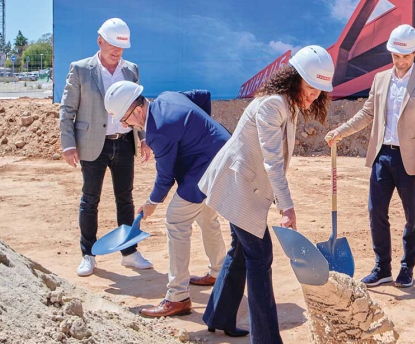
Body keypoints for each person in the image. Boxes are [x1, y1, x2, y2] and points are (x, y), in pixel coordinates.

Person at [199, 45, 334, 343]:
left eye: (320, 91)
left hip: (245, 185)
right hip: (237, 186)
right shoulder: (273, 105)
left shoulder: (289, 104)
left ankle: (218, 316)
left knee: (240, 251)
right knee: (260, 257)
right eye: (311, 87)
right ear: (295, 78)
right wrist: (286, 207)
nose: (313, 95)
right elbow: (272, 160)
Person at [102, 82, 232, 322]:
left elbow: (165, 177)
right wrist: (202, 134)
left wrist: (151, 202)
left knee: (176, 221)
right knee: (205, 215)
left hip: (207, 168)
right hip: (224, 154)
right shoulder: (167, 97)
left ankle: (177, 297)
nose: (124, 125)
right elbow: (202, 95)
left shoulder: (158, 131)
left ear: (138, 111)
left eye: (124, 119)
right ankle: (218, 271)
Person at [325, 25, 415, 288]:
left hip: (410, 160)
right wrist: (340, 132)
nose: (400, 62)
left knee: (413, 216)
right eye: (396, 56)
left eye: (406, 56)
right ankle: (382, 268)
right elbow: (368, 113)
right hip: (382, 156)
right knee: (376, 211)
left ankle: (406, 268)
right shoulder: (380, 80)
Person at [59, 18, 153, 277]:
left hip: (124, 143)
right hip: (92, 145)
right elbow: (67, 110)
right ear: (100, 40)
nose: (117, 51)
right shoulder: (80, 70)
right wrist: (68, 145)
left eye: (121, 47)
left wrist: (144, 138)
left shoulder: (131, 70)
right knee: (90, 200)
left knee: (126, 199)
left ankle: (129, 252)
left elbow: (138, 107)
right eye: (112, 44)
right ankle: (88, 254)